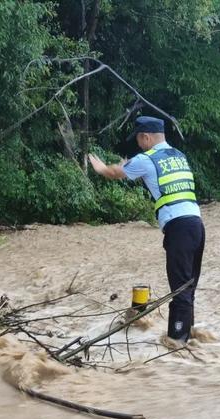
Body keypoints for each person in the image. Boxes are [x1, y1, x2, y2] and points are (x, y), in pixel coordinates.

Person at [87, 116, 205, 342]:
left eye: (139, 140)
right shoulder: (179, 156)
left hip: (179, 228)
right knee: (188, 289)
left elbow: (115, 173)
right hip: (197, 225)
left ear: (146, 137)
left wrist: (102, 168)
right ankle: (187, 338)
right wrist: (126, 166)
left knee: (180, 290)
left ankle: (177, 344)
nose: (138, 145)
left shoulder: (147, 158)